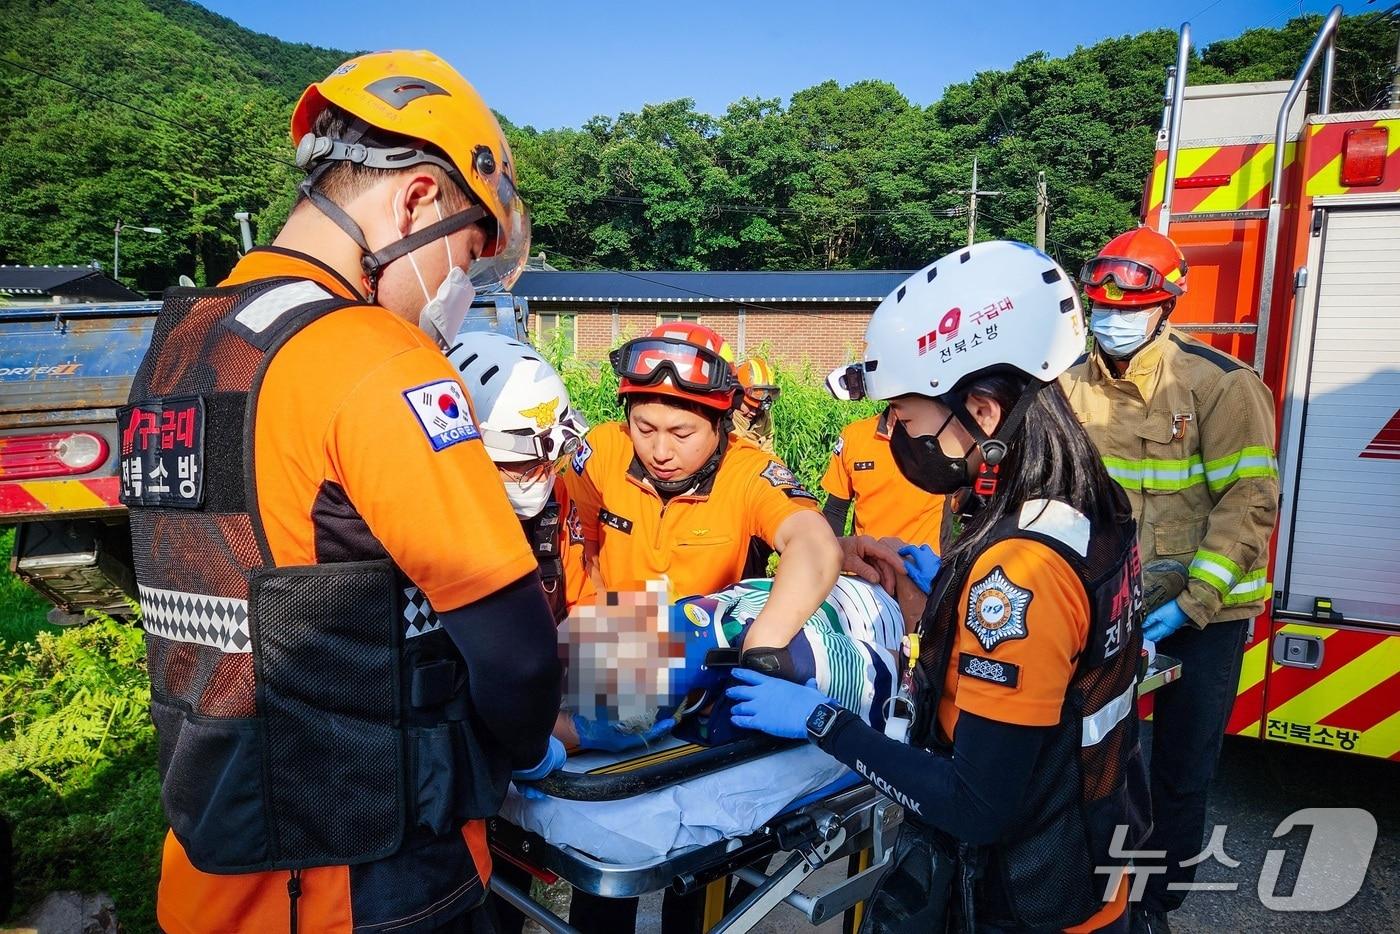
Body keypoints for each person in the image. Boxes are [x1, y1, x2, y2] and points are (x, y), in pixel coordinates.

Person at [120, 50, 562, 933]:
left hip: (214, 865)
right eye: (470, 256)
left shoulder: (181, 351)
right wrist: (521, 752)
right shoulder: (372, 356)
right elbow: (515, 655)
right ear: (417, 201)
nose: (463, 294)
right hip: (363, 883)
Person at [727, 241, 1151, 933]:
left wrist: (820, 722)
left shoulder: (1021, 573)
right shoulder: (1092, 508)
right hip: (1090, 852)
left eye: (908, 417)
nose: (897, 434)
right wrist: (952, 586)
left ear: (982, 413)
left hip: (1023, 896)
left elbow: (974, 807)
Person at [561, 321, 843, 934]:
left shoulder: (750, 473)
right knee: (603, 886)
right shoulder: (601, 451)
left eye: (683, 433)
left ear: (721, 426)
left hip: (704, 695)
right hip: (606, 676)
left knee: (696, 888)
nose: (661, 451)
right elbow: (561, 530)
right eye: (646, 428)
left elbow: (813, 543)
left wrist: (766, 645)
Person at [1061, 226, 1280, 934]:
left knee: (1182, 774)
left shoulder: (1219, 384)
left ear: (1166, 307)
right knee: (1092, 757)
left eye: (1130, 306)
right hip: (1105, 609)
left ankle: (1156, 905)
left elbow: (1249, 502)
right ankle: (1086, 890)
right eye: (1101, 305)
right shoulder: (1067, 384)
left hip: (1204, 619)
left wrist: (1193, 603)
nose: (1113, 318)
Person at [447, 331, 591, 621]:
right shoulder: (431, 524)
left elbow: (585, 601)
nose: (540, 479)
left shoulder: (556, 498)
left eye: (549, 463)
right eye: (521, 467)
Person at [821, 407, 950, 550]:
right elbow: (835, 510)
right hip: (866, 566)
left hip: (924, 568)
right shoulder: (856, 435)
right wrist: (830, 562)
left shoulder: (948, 441)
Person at [731, 356, 780, 452]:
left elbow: (769, 452)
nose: (754, 413)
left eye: (759, 408)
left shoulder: (764, 418)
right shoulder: (723, 420)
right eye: (750, 406)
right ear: (737, 395)